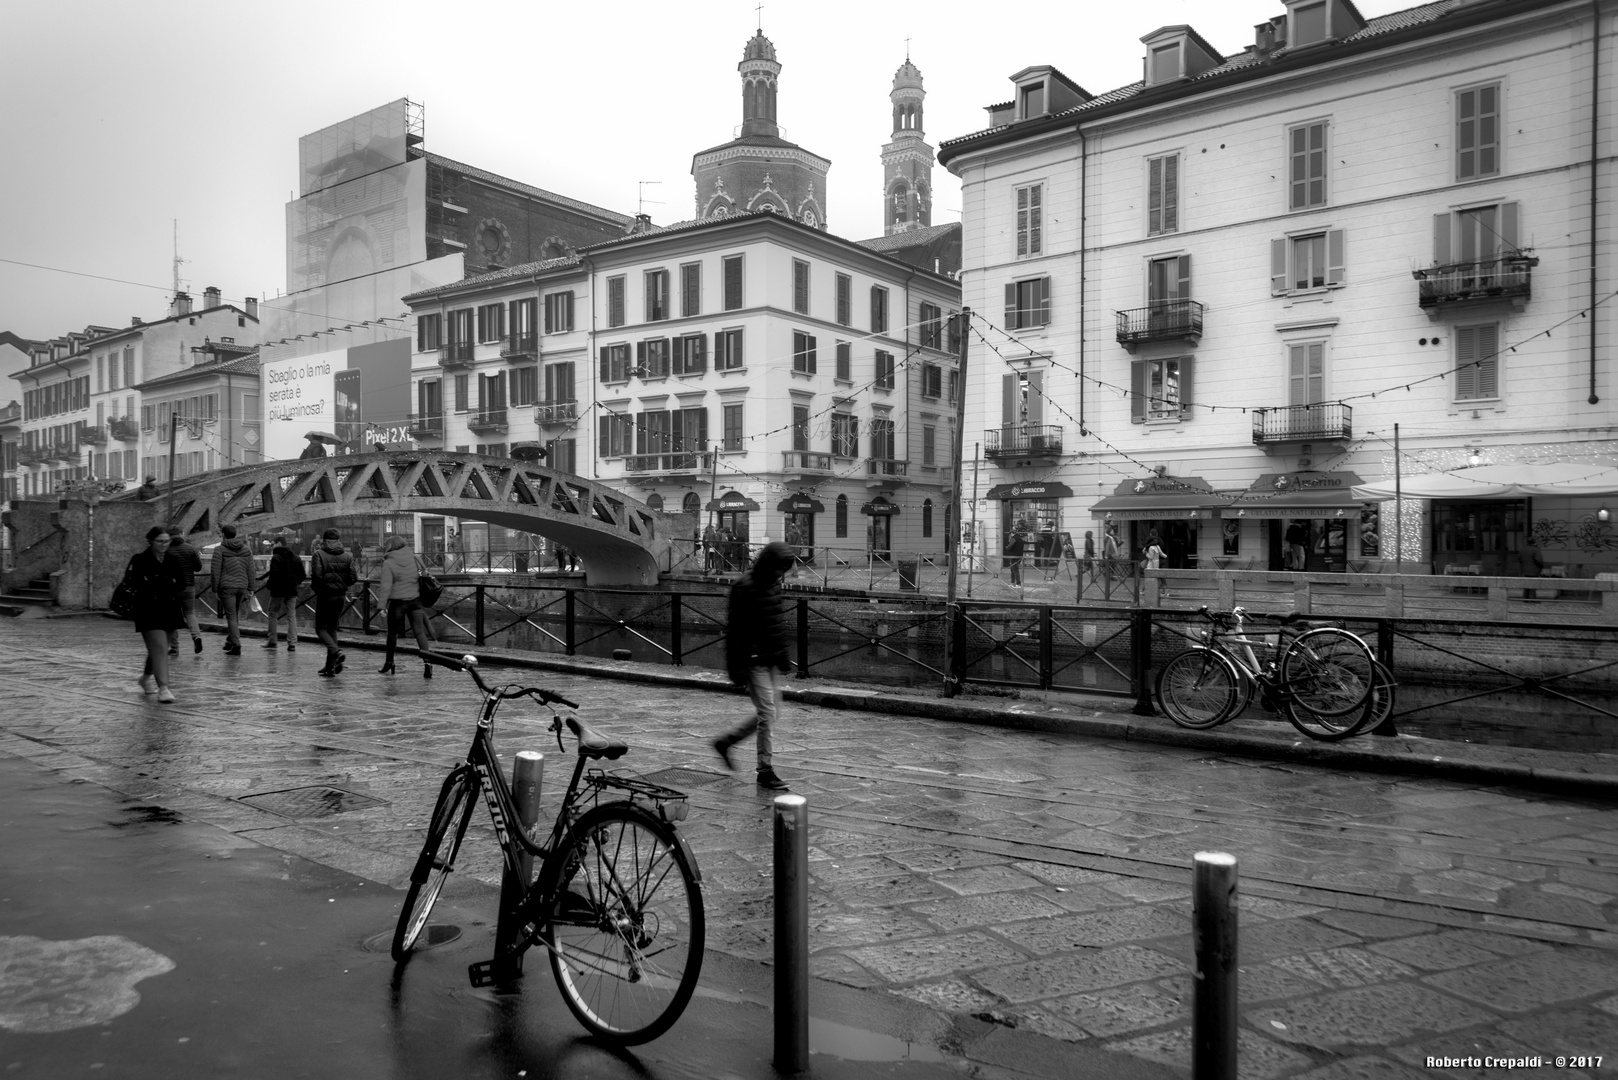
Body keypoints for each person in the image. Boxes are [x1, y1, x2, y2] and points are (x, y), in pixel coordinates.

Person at [712, 542, 796, 791]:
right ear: (769, 563)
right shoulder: (743, 586)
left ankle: (726, 742)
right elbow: (735, 631)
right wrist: (735, 668)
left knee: (771, 713)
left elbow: (776, 623)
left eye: (784, 570)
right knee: (768, 713)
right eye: (779, 568)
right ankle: (765, 771)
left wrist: (783, 657)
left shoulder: (774, 583)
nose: (781, 573)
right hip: (752, 660)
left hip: (770, 658)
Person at [125, 526, 187, 704]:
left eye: (167, 541)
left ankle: (145, 678)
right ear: (151, 541)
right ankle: (164, 688)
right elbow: (135, 583)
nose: (164, 545)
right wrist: (162, 584)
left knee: (160, 648)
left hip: (170, 608)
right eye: (160, 541)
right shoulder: (140, 559)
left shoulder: (173, 559)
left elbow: (182, 582)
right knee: (159, 647)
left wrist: (165, 584)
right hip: (148, 609)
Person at [376, 535, 434, 679]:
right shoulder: (415, 558)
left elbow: (386, 586)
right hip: (415, 600)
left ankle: (389, 663)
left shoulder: (388, 563)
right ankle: (427, 663)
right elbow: (424, 575)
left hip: (398, 603)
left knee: (392, 634)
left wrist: (382, 606)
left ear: (390, 547)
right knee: (419, 632)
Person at [310, 528, 357, 677]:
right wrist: (342, 585)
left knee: (320, 629)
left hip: (325, 595)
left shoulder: (318, 554)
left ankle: (336, 652)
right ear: (338, 540)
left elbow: (317, 576)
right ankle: (330, 666)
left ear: (324, 540)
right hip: (340, 595)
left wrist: (318, 589)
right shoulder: (347, 556)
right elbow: (353, 578)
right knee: (332, 628)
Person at [209, 524, 255, 655]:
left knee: (231, 615)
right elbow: (251, 570)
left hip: (227, 586)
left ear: (223, 535)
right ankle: (230, 640)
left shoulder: (219, 550)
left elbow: (215, 571)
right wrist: (251, 587)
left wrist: (215, 588)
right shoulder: (246, 549)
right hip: (242, 586)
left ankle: (236, 644)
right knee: (234, 614)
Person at [261, 536, 305, 650]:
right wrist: (295, 583)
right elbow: (302, 575)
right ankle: (292, 642)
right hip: (292, 590)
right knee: (291, 616)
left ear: (279, 543)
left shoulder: (276, 557)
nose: (272, 546)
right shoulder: (296, 557)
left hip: (278, 590)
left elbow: (274, 574)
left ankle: (272, 640)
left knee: (273, 614)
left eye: (273, 544)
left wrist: (270, 585)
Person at [166, 527, 204, 657]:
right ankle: (196, 636)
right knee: (189, 613)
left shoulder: (166, 550)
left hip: (172, 588)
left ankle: (174, 648)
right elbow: (198, 568)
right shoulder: (191, 548)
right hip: (189, 586)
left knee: (172, 616)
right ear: (181, 534)